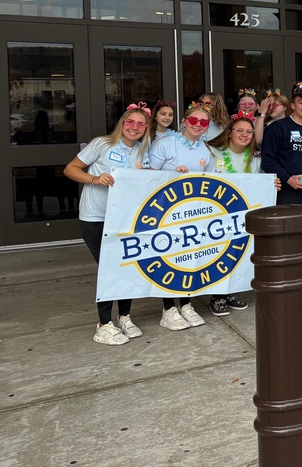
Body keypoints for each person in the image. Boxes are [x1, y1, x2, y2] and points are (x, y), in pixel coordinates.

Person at [64, 104, 151, 346]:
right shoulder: (102, 144)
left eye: (140, 124)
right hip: (96, 218)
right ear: (122, 123)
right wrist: (94, 179)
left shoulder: (144, 152)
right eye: (130, 122)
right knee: (109, 269)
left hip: (125, 219)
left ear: (146, 129)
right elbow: (70, 169)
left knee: (126, 266)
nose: (135, 127)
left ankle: (124, 317)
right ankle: (103, 324)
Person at [147, 102, 217, 330]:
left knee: (188, 260)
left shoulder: (206, 150)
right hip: (165, 214)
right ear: (184, 122)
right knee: (168, 260)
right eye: (194, 121)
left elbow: (212, 181)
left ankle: (186, 303)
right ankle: (168, 309)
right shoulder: (165, 144)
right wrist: (170, 175)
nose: (198, 125)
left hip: (192, 215)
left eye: (203, 122)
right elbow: (146, 176)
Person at [207, 112, 268, 316]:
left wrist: (271, 184)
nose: (244, 135)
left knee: (237, 254)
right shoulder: (213, 152)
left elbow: (261, 182)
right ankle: (217, 296)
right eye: (239, 130)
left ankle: (231, 292)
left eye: (249, 132)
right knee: (218, 255)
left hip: (244, 215)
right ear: (229, 132)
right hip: (218, 215)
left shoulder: (256, 158)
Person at [260, 81, 302, 206]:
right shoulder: (277, 128)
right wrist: (288, 179)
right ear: (292, 105)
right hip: (282, 193)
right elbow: (268, 161)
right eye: (301, 102)